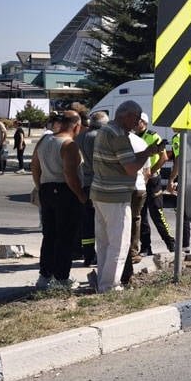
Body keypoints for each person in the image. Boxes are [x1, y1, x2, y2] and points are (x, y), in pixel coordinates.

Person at [87, 100, 167, 293]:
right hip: (115, 197)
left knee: (105, 242)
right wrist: (148, 152)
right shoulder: (119, 135)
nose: (138, 122)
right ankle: (110, 286)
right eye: (136, 118)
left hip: (100, 193)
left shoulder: (106, 131)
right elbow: (131, 168)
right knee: (119, 244)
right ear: (127, 115)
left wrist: (147, 152)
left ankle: (103, 282)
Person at [30, 110, 86, 289]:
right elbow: (70, 175)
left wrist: (40, 188)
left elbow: (35, 166)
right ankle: (61, 278)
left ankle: (44, 276)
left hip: (47, 189)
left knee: (49, 236)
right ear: (76, 126)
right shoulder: (69, 144)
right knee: (65, 237)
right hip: (64, 192)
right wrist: (81, 195)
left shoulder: (44, 140)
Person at [135, 114, 175, 255]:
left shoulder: (153, 136)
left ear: (144, 122)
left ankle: (171, 244)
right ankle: (146, 247)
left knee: (157, 213)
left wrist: (151, 172)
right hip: (139, 180)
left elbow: (163, 157)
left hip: (152, 180)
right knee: (140, 214)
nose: (134, 123)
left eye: (137, 121)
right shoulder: (133, 136)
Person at [167, 132, 191, 255]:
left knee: (183, 215)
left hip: (186, 180)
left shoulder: (178, 137)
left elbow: (179, 160)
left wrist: (171, 179)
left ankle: (184, 248)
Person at [76, 111, 107, 267]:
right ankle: (101, 256)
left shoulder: (80, 136)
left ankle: (88, 255)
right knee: (102, 221)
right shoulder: (100, 137)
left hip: (85, 183)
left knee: (87, 222)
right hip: (99, 183)